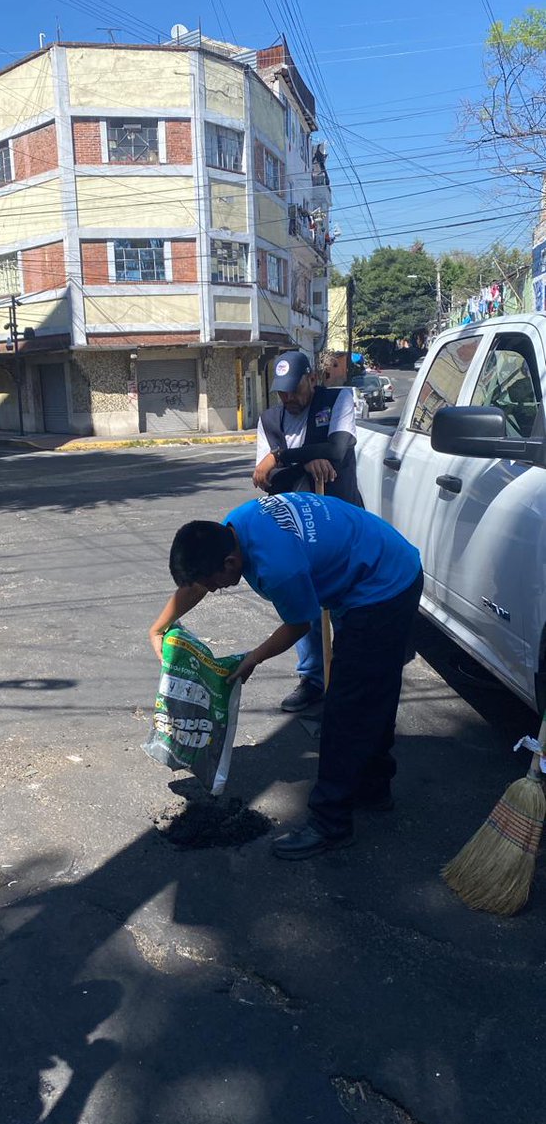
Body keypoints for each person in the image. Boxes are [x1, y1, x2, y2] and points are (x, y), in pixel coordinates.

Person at [148, 493, 423, 860]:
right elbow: (195, 585)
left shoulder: (278, 568)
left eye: (214, 584)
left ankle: (331, 824)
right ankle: (373, 787)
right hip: (381, 562)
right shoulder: (236, 526)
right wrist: (159, 627)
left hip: (383, 588)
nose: (213, 591)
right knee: (372, 691)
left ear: (230, 563)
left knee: (345, 709)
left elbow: (298, 624)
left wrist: (253, 659)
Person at [252, 349, 363, 714]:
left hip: (342, 521)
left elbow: (338, 448)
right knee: (307, 606)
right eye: (281, 392)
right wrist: (306, 458)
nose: (288, 398)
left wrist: (283, 456)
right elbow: (264, 480)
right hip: (297, 532)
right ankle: (314, 679)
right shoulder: (269, 420)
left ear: (311, 380)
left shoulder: (339, 399)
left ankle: (347, 678)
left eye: (294, 389)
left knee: (347, 604)